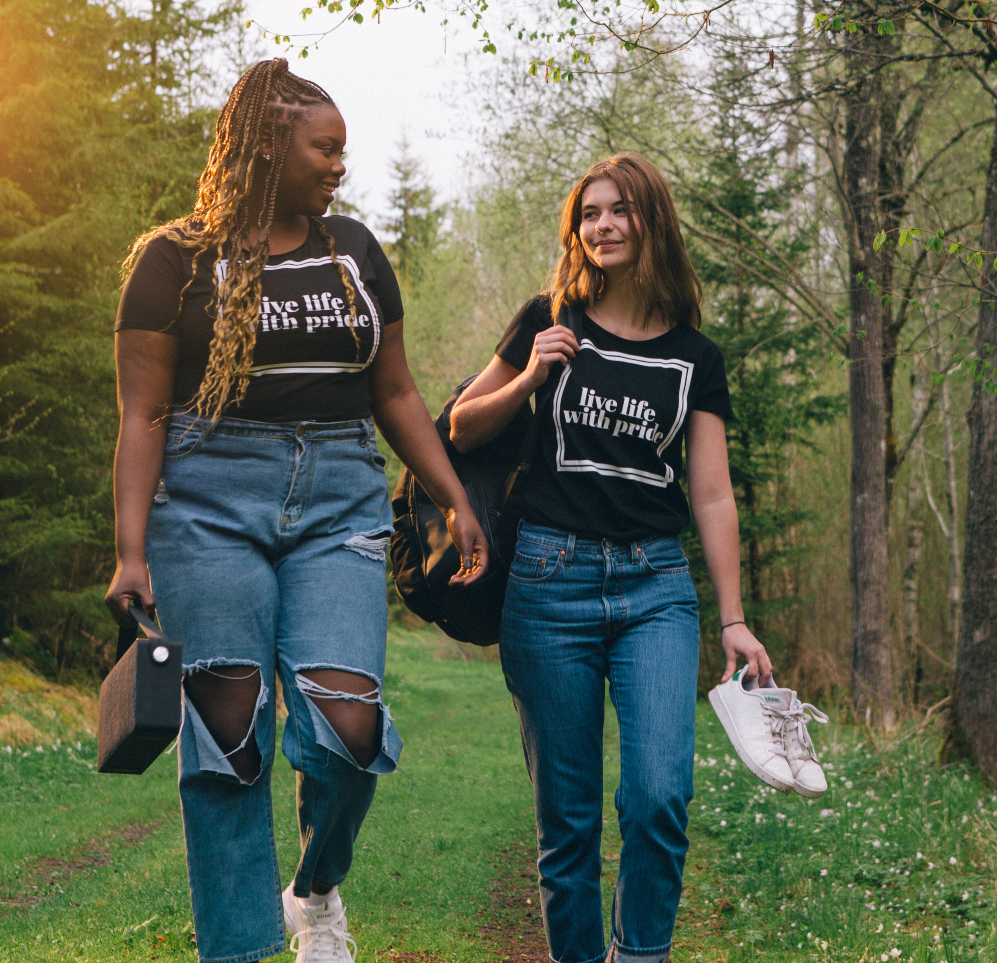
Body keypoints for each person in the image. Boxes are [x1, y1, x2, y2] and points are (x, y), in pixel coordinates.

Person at [105, 58, 487, 963]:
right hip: (204, 504)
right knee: (228, 737)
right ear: (269, 147)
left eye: (344, 150)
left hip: (339, 501)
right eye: (325, 148)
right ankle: (236, 949)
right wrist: (132, 551)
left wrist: (452, 497)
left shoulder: (352, 251)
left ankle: (314, 890)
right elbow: (143, 411)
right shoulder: (173, 260)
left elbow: (393, 390)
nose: (339, 165)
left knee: (349, 727)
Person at [448, 153, 772, 963]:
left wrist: (732, 618)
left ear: (650, 220)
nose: (603, 225)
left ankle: (641, 954)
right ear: (576, 228)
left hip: (655, 588)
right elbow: (459, 426)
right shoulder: (545, 319)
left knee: (658, 796)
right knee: (569, 820)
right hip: (547, 585)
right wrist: (530, 374)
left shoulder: (696, 357)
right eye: (590, 212)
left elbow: (712, 495)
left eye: (620, 209)